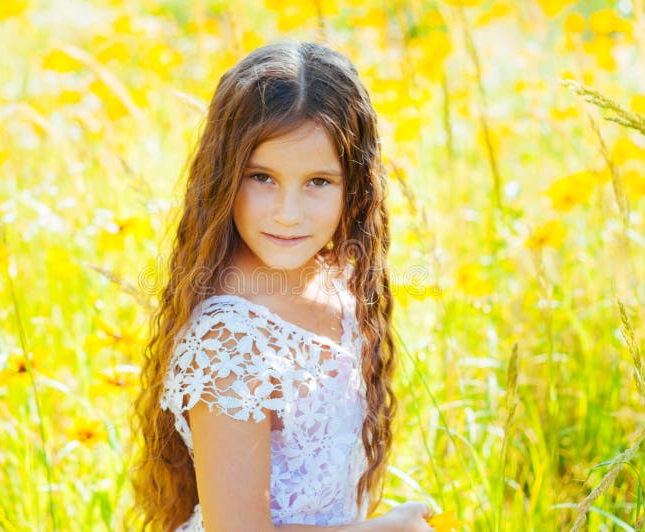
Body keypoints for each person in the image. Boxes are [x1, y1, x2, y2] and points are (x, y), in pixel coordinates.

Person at [129, 40, 435, 531]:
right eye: (262, 177)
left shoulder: (337, 281)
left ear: (354, 185)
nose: (288, 213)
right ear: (224, 175)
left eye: (318, 182)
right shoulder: (230, 342)